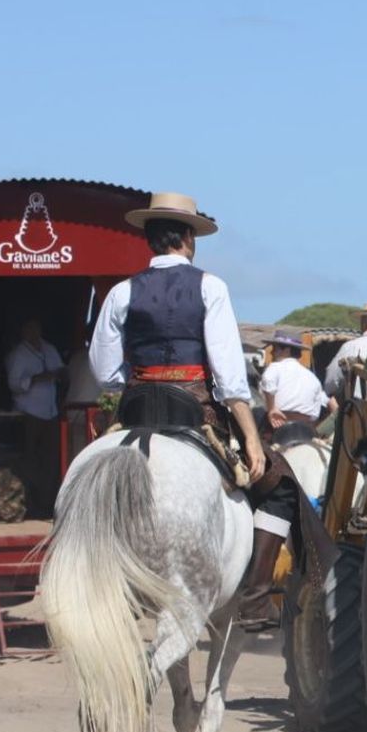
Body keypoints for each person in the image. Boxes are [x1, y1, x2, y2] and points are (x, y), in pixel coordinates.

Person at [88, 190, 316, 632]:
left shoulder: (120, 292)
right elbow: (231, 377)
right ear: (189, 239)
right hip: (194, 407)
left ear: (151, 239)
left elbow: (105, 372)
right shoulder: (210, 287)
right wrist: (251, 437)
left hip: (135, 406)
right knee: (280, 485)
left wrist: (137, 376)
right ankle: (253, 599)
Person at [5, 318, 67, 515]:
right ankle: (30, 505)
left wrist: (61, 373)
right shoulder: (18, 354)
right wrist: (37, 378)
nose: (34, 331)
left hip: (51, 411)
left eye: (36, 327)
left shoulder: (49, 348)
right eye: (30, 328)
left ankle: (49, 502)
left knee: (51, 459)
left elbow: (61, 371)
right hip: (29, 412)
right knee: (31, 459)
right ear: (23, 331)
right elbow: (13, 384)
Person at [259, 331, 335, 429]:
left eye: (275, 349)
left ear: (287, 350)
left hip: (278, 424)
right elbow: (330, 402)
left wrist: (272, 408)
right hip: (307, 428)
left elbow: (268, 381)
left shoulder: (275, 367)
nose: (271, 352)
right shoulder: (312, 377)